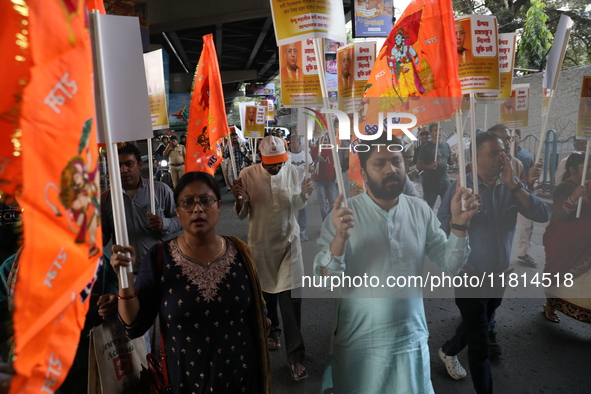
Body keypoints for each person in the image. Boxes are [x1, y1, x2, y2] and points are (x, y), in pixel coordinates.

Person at [313, 134, 480, 393]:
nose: (391, 169)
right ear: (364, 174)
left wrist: (459, 226)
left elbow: (450, 265)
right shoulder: (342, 218)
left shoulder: (420, 210)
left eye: (396, 161)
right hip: (360, 344)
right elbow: (326, 281)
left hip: (409, 340)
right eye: (379, 163)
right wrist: (339, 241)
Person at [110, 172, 271, 393]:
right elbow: (133, 326)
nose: (198, 209)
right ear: (177, 210)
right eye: (187, 203)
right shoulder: (160, 258)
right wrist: (124, 277)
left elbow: (257, 314)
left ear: (219, 205)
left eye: (206, 200)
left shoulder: (240, 252)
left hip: (242, 379)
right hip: (186, 382)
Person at [437, 132, 550, 394]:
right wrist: (461, 219)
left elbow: (542, 213)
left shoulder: (509, 187)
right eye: (493, 153)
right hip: (470, 274)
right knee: (480, 346)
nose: (502, 157)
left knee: (483, 322)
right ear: (475, 158)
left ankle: (448, 349)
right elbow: (440, 231)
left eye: (503, 151)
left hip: (500, 274)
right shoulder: (459, 189)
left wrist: (515, 185)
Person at [232, 135, 313, 381]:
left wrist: (306, 194)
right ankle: (273, 330)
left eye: (280, 162)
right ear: (261, 158)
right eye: (272, 163)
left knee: (291, 303)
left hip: (290, 244)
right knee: (266, 296)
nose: (277, 167)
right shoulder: (247, 175)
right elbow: (242, 214)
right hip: (262, 246)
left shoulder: (292, 171)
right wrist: (239, 198)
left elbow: (296, 204)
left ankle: (296, 357)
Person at [101, 144, 182, 271]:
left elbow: (181, 220)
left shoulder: (160, 190)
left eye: (129, 164)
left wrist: (164, 223)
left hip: (160, 268)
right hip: (126, 272)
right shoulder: (106, 199)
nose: (123, 170)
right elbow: (103, 235)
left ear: (139, 165)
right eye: (118, 165)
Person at [543, 152, 591, 323]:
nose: (590, 170)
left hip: (585, 246)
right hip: (564, 243)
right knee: (558, 275)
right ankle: (551, 304)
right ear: (571, 168)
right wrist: (572, 198)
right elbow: (559, 215)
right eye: (586, 166)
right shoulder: (565, 187)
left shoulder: (587, 186)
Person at [416, 123, 457, 209]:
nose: (438, 132)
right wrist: (429, 167)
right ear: (430, 133)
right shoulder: (426, 147)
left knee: (448, 205)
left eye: (440, 130)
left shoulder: (446, 145)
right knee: (429, 207)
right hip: (430, 183)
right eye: (435, 130)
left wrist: (453, 161)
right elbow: (419, 165)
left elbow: (449, 162)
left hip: (445, 181)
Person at [513, 129, 538, 267]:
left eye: (514, 136)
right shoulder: (500, 155)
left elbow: (530, 173)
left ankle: (523, 252)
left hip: (523, 192)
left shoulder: (526, 154)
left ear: (520, 137)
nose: (511, 139)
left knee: (527, 224)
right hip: (505, 196)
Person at [288, 135, 314, 241]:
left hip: (303, 188)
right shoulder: (286, 155)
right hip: (289, 188)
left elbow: (312, 168)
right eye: (290, 143)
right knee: (290, 211)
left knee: (303, 210)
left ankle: (302, 231)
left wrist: (309, 168)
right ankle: (290, 232)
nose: (291, 144)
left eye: (294, 142)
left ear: (299, 143)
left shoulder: (306, 155)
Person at [311, 134, 339, 221]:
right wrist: (315, 160)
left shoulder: (332, 150)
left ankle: (329, 221)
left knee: (333, 203)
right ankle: (325, 222)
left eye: (326, 140)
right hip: (318, 180)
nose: (325, 141)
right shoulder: (314, 150)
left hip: (331, 179)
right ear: (319, 140)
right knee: (322, 204)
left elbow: (337, 163)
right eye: (323, 140)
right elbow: (310, 165)